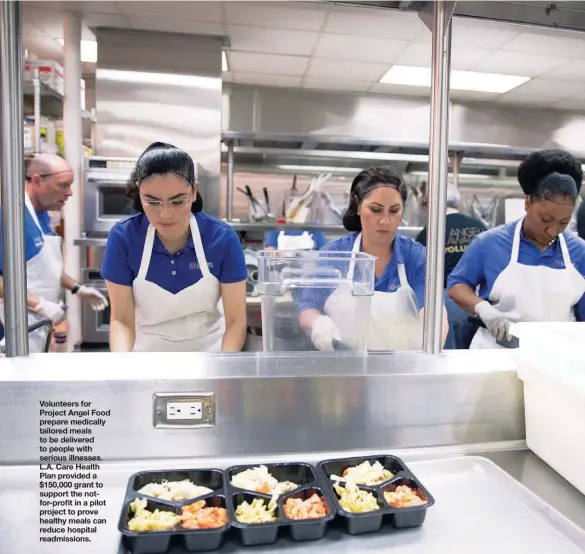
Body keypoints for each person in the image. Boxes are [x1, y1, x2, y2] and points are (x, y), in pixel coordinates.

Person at [101, 142, 247, 352]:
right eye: (152, 202)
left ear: (194, 191)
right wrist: (124, 371)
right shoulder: (124, 238)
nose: (165, 214)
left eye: (177, 201)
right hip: (146, 359)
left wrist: (222, 372)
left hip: (210, 358)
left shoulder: (221, 239)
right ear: (139, 192)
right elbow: (122, 321)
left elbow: (236, 322)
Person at [298, 165, 449, 351]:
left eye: (394, 211)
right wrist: (318, 322)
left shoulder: (416, 257)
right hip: (346, 371)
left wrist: (434, 341)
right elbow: (308, 308)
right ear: (358, 207)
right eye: (376, 210)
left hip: (404, 370)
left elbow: (434, 314)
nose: (385, 220)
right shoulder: (335, 255)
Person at [448, 149, 585, 349]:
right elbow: (457, 286)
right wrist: (484, 310)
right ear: (528, 202)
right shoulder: (489, 243)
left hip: (555, 359)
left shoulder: (579, 252)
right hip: (497, 354)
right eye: (546, 219)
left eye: (563, 222)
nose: (553, 230)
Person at [0, 154, 108, 352]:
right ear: (37, 181)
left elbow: (45, 268)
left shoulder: (42, 216)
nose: (69, 193)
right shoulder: (10, 216)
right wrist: (40, 304)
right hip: (10, 329)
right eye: (63, 185)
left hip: (35, 325)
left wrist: (77, 288)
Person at [416, 182, 487, 349]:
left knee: (449, 361)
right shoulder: (479, 226)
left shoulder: (429, 231)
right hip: (481, 304)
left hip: (447, 307)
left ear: (430, 204)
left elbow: (419, 274)